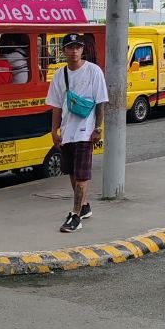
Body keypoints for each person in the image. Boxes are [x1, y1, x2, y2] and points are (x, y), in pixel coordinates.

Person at [45, 32, 108, 233]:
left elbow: (100, 102)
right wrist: (54, 131)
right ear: (64, 51)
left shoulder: (93, 71)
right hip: (67, 131)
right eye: (71, 47)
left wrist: (98, 128)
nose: (75, 51)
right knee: (72, 171)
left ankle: (75, 216)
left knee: (81, 175)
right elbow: (55, 106)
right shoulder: (59, 75)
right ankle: (85, 206)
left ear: (83, 49)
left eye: (78, 47)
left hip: (85, 131)